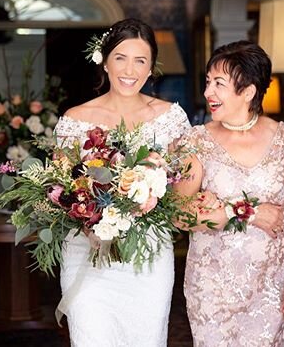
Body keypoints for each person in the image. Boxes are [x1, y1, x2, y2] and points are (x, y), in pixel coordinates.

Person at [52, 18, 191, 346]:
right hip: (87, 253)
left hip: (148, 257)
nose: (130, 70)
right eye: (121, 57)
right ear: (105, 59)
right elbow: (60, 191)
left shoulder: (171, 118)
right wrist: (87, 215)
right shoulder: (75, 119)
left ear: (151, 67)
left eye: (140, 60)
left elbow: (185, 183)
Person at [175, 40, 284, 346]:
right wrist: (245, 210)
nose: (208, 93)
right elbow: (180, 215)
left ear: (248, 91)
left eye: (219, 84)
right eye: (208, 82)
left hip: (269, 286)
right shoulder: (197, 142)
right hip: (212, 290)